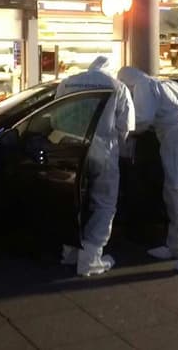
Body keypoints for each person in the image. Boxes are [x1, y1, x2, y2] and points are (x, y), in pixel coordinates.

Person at [117, 67, 178, 273]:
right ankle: (177, 245)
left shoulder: (144, 86)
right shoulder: (169, 83)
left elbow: (142, 119)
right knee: (174, 192)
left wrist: (119, 127)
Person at [57, 56, 134, 277]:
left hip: (70, 149)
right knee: (104, 204)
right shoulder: (116, 86)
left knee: (73, 201)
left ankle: (70, 253)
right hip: (103, 150)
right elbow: (125, 125)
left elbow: (55, 116)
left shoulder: (68, 82)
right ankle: (90, 259)